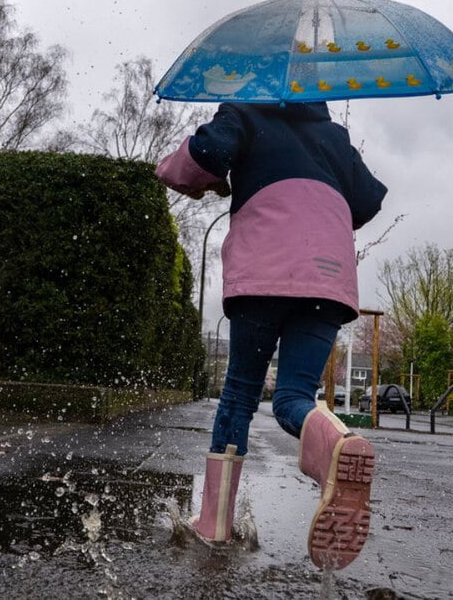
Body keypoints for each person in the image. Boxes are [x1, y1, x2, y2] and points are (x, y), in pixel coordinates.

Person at [155, 101, 387, 570]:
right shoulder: (334, 136)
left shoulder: (245, 111)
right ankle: (338, 443)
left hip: (264, 272)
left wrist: (184, 175)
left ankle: (214, 522)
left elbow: (203, 154)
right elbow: (367, 200)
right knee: (293, 397)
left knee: (240, 394)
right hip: (328, 276)